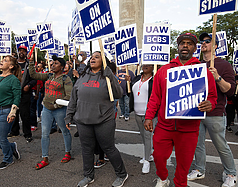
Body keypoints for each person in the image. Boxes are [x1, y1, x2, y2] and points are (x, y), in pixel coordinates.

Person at [144, 33, 217, 187]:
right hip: (164, 125)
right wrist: (149, 116)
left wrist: (210, 103)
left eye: (189, 43)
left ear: (194, 48)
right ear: (177, 47)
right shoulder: (164, 70)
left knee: (184, 165)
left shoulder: (203, 71)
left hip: (189, 129)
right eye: (182, 43)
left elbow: (212, 96)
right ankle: (163, 178)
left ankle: (180, 184)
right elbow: (155, 97)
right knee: (158, 156)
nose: (185, 46)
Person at [65, 51, 128, 187]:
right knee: (86, 149)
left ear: (103, 61)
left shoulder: (107, 76)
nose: (93, 58)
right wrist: (69, 115)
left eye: (97, 57)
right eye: (92, 57)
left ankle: (122, 174)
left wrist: (110, 75)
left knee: (108, 148)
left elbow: (118, 94)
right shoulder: (83, 76)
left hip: (104, 120)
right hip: (83, 120)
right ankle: (88, 175)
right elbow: (74, 98)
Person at [188, 32, 238, 187]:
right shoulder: (194, 64)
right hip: (197, 112)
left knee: (220, 145)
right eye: (202, 41)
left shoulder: (223, 65)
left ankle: (231, 173)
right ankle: (199, 169)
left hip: (215, 113)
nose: (203, 43)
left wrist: (217, 77)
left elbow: (230, 91)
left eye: (208, 41)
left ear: (215, 46)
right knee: (197, 143)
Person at [29, 55, 73, 170]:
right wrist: (30, 62)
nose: (53, 65)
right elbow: (33, 74)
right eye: (52, 63)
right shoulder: (49, 76)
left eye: (56, 63)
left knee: (64, 131)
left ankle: (67, 152)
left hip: (60, 110)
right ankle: (45, 158)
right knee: (44, 133)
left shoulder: (66, 79)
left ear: (62, 67)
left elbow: (69, 96)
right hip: (46, 109)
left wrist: (57, 105)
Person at [128, 64, 156, 174]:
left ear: (153, 67)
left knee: (147, 136)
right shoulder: (136, 78)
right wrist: (128, 82)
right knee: (143, 136)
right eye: (144, 63)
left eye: (148, 64)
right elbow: (130, 92)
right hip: (137, 113)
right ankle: (148, 154)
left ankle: (147, 160)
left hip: (149, 114)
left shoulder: (154, 80)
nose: (145, 66)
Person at [9, 45, 37, 143]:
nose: (22, 52)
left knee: (25, 115)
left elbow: (34, 79)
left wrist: (28, 86)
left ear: (26, 53)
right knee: (13, 113)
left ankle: (27, 134)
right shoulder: (13, 64)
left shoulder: (29, 65)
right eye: (20, 50)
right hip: (13, 93)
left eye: (24, 51)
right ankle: (14, 131)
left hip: (25, 94)